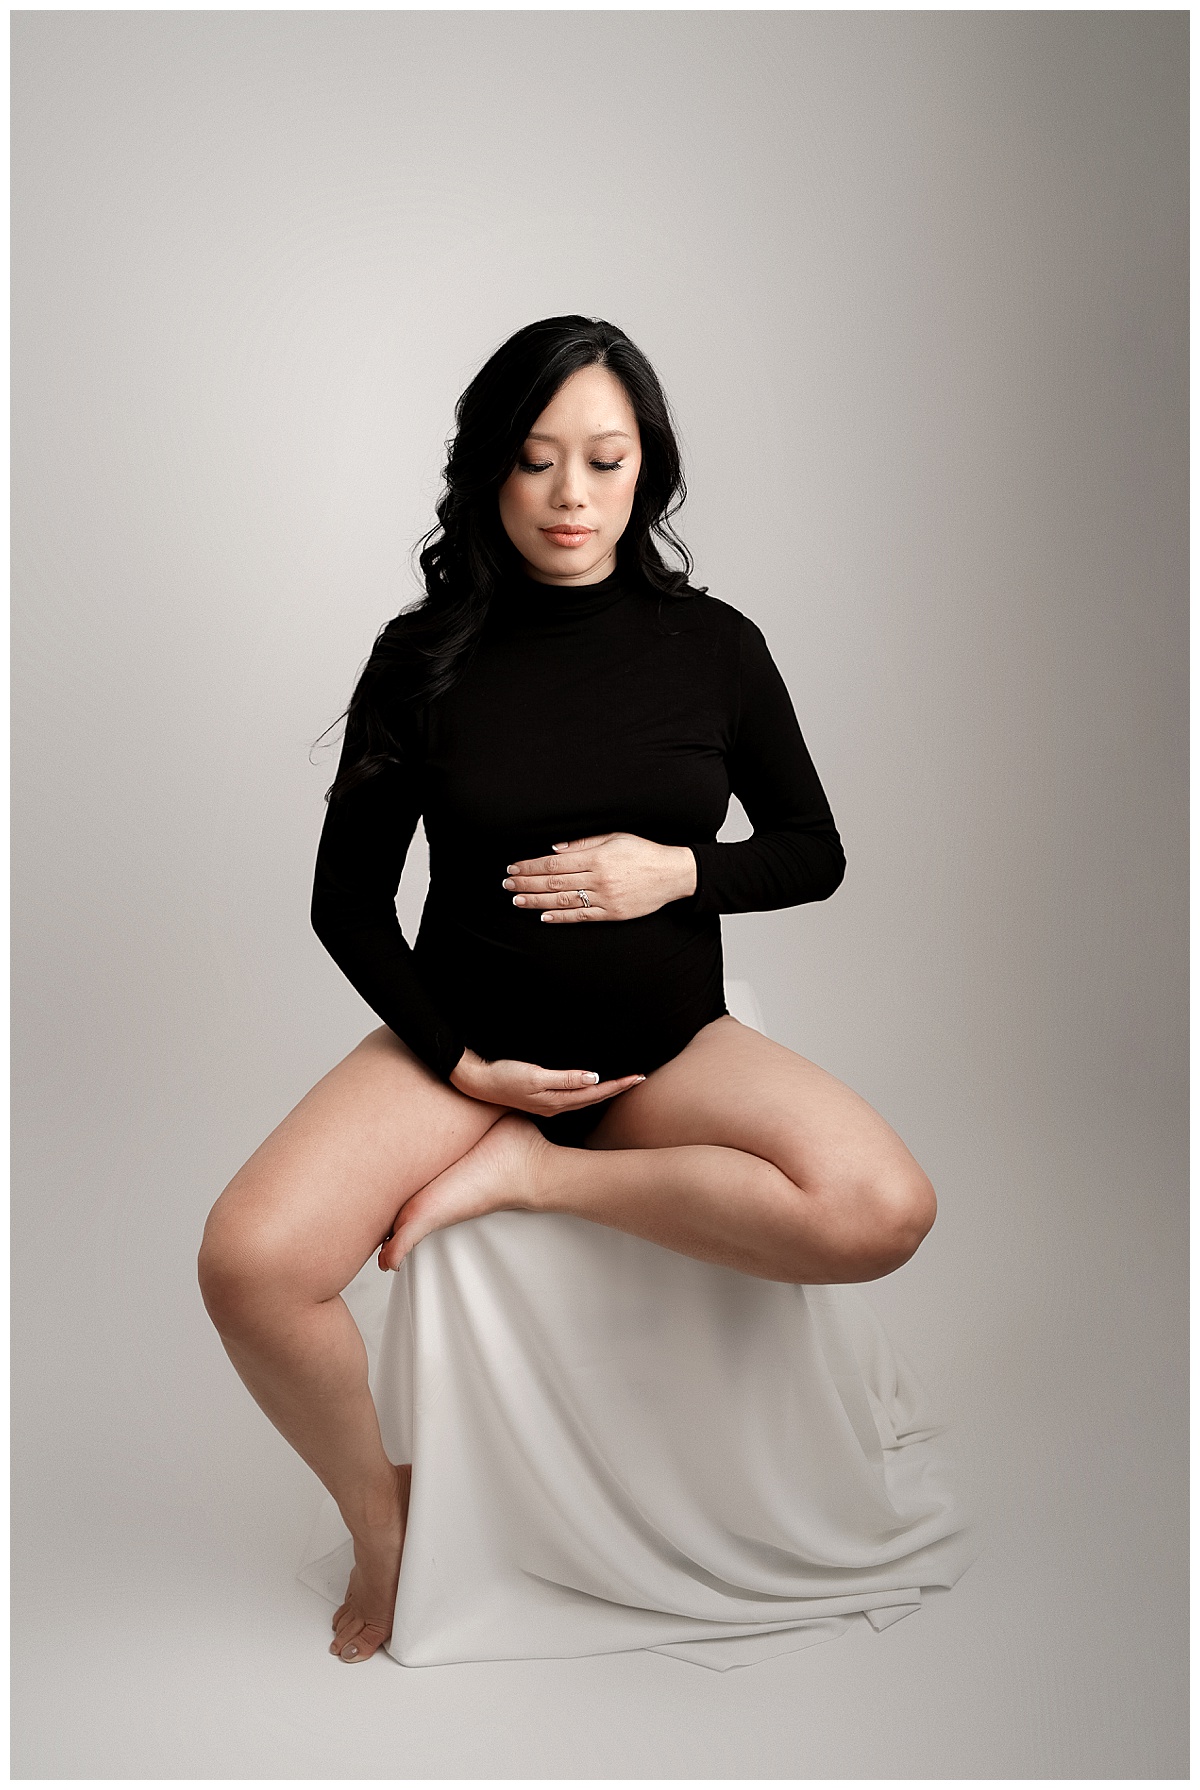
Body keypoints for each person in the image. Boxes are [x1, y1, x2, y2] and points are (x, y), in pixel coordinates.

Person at [197, 315, 939, 1666]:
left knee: (885, 1206)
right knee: (248, 1262)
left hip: (665, 1045)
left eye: (603, 457)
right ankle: (385, 1521)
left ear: (646, 466)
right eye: (536, 460)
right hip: (467, 1046)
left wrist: (678, 874)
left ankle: (535, 1177)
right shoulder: (420, 657)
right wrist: (460, 1064)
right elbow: (346, 901)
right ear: (490, 473)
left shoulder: (714, 645)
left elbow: (813, 851)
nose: (571, 494)